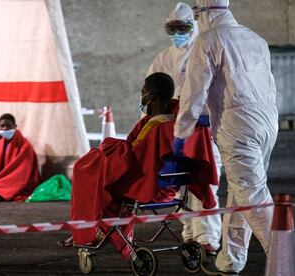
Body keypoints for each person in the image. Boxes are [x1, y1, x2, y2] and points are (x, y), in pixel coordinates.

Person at [172, 0, 279, 274]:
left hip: (237, 128)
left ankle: (286, 259)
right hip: (267, 123)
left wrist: (181, 132)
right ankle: (231, 259)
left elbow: (194, 92)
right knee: (240, 193)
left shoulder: (208, 40)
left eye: (196, 16)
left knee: (253, 196)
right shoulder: (256, 38)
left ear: (204, 13)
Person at [70, 72, 219, 259]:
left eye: (143, 91)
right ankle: (107, 231)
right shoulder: (177, 123)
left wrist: (108, 148)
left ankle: (88, 233)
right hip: (170, 187)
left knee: (87, 170)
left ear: (152, 95)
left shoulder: (156, 127)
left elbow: (133, 157)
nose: (141, 96)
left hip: (145, 186)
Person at [147, 2, 222, 255]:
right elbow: (149, 94)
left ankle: (208, 238)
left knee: (205, 183)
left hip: (204, 131)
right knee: (182, 187)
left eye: (183, 27)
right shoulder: (163, 58)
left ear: (194, 26)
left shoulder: (204, 51)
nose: (178, 33)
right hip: (173, 133)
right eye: (173, 28)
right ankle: (190, 234)